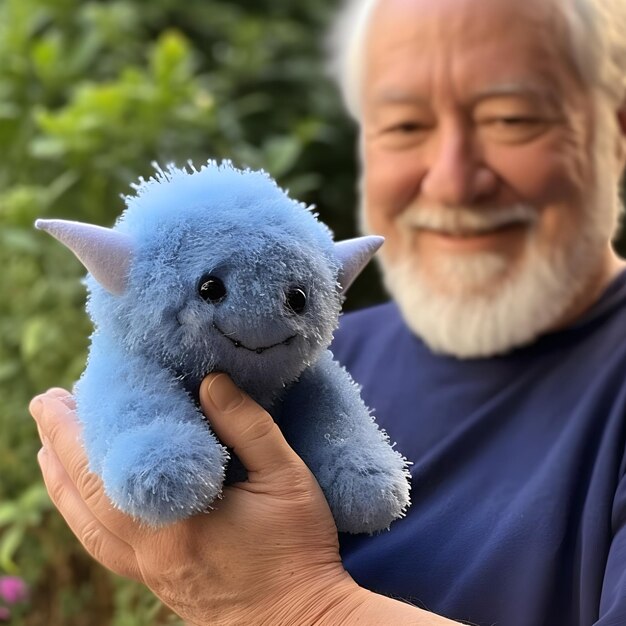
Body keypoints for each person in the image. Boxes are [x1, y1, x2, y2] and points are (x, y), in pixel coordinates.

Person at [28, 0, 626, 623]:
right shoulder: (323, 352)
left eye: (512, 119)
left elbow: (274, 598)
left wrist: (298, 604)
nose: (451, 180)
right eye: (404, 125)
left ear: (615, 132)